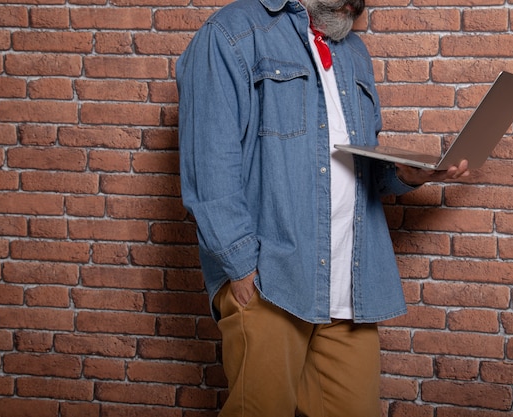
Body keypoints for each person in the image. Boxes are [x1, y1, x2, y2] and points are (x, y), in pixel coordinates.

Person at [176, 0, 469, 415]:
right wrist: (241, 269)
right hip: (271, 284)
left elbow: (357, 172)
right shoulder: (231, 33)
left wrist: (409, 174)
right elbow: (209, 165)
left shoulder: (353, 53)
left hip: (349, 289)